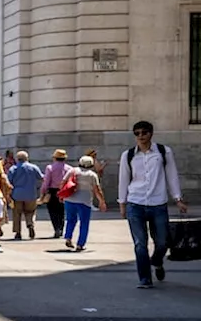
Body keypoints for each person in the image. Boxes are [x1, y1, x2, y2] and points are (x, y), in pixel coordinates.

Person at [117, 120, 188, 289]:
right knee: (140, 243)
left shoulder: (164, 152)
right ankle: (145, 279)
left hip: (158, 203)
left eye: (144, 132)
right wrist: (122, 203)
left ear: (151, 133)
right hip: (136, 203)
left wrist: (178, 199)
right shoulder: (128, 155)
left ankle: (157, 261)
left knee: (162, 242)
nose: (140, 136)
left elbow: (172, 175)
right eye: (137, 133)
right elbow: (123, 180)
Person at [64, 155, 107, 252]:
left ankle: (68, 238)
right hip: (84, 201)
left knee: (70, 220)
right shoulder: (92, 175)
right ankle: (80, 244)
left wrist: (62, 195)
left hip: (70, 199)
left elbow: (63, 182)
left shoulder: (72, 171)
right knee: (84, 223)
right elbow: (97, 190)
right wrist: (102, 201)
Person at [7, 151, 44, 240]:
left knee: (17, 213)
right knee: (30, 211)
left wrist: (8, 194)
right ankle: (30, 224)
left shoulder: (13, 168)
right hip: (31, 194)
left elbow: (8, 182)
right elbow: (41, 177)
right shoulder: (33, 167)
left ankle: (18, 232)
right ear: (27, 158)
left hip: (17, 194)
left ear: (17, 159)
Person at [40, 150, 72, 238]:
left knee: (53, 211)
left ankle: (56, 228)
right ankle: (61, 228)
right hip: (65, 191)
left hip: (53, 191)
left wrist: (42, 192)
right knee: (62, 211)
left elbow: (46, 182)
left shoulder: (50, 168)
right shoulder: (69, 168)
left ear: (54, 158)